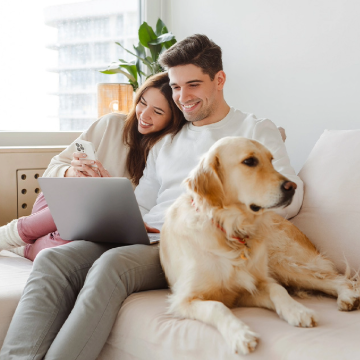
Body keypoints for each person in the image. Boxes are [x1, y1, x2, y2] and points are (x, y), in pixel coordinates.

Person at [0, 34, 303, 360]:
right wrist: (116, 208)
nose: (182, 97)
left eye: (193, 85)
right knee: (54, 259)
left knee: (112, 265)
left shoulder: (254, 130)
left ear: (219, 80)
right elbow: (143, 203)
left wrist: (219, 214)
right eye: (175, 87)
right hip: (148, 234)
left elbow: (291, 198)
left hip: (197, 244)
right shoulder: (169, 139)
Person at [0, 72, 186, 261]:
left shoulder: (167, 151)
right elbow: (53, 168)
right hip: (57, 203)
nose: (144, 115)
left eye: (158, 111)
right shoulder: (111, 124)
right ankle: (7, 236)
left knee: (75, 250)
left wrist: (107, 192)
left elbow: (140, 212)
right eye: (143, 102)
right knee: (79, 204)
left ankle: (24, 247)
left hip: (93, 225)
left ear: (173, 119)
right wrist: (73, 172)